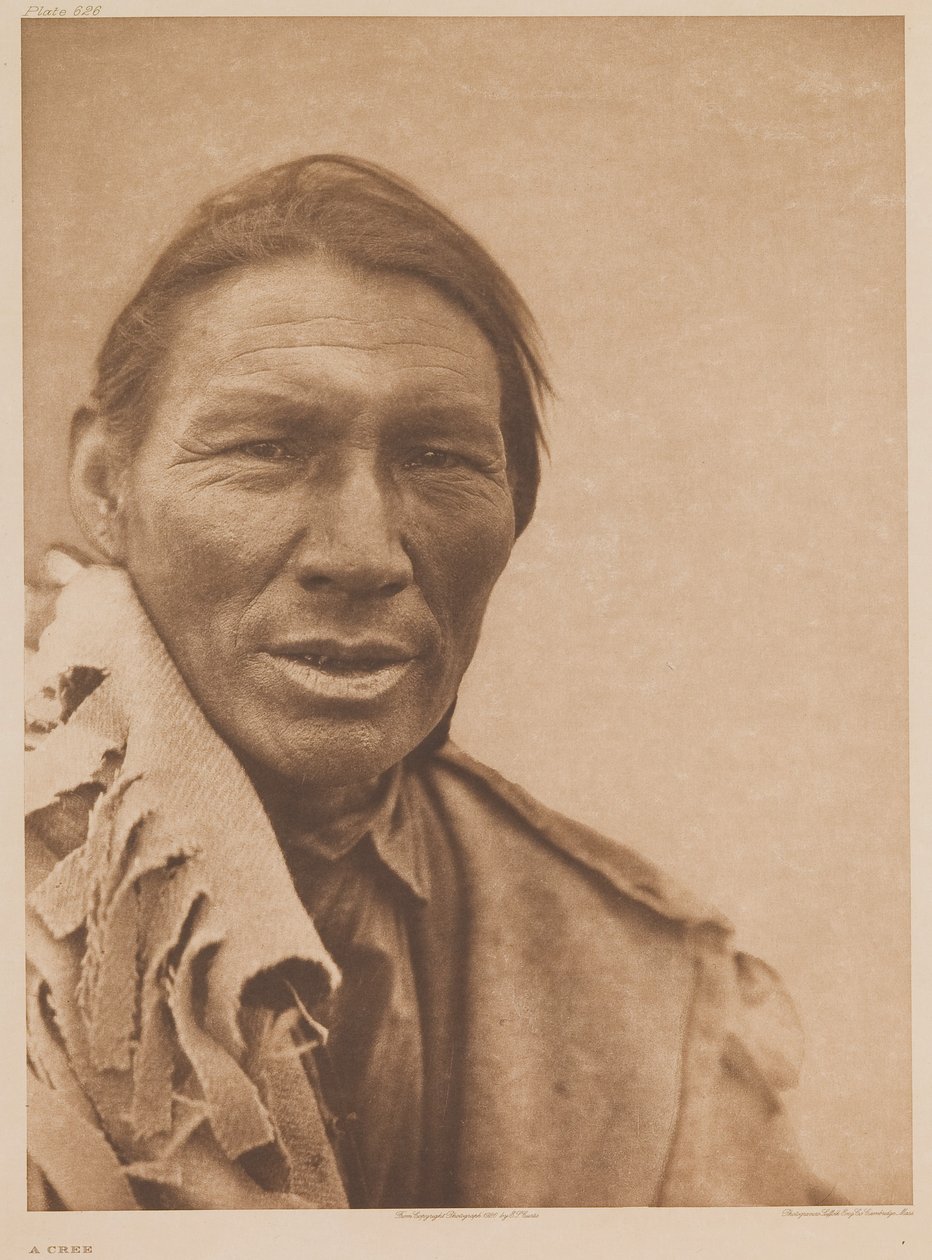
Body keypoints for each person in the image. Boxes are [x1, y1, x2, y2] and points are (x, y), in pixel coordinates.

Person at [25, 154, 840, 1210]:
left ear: (514, 511)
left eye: (439, 459)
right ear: (105, 485)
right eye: (265, 447)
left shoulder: (638, 977)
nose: (363, 553)